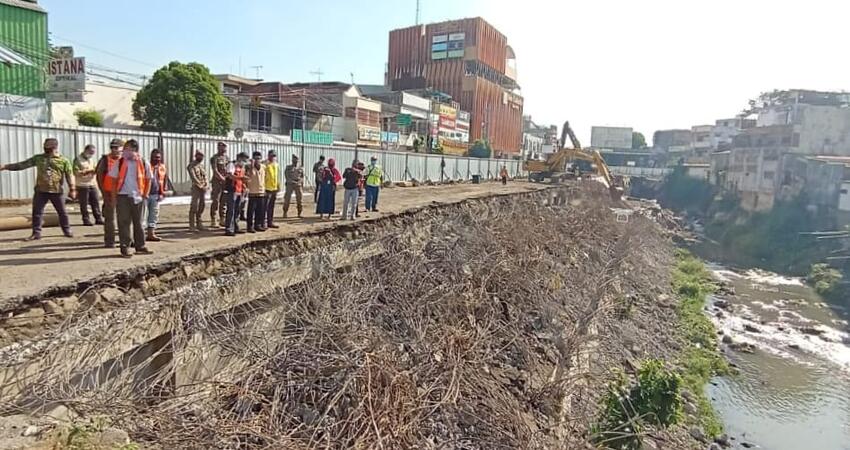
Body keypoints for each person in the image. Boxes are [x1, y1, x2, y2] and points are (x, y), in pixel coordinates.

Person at [0, 138, 75, 240]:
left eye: (48, 147)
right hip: (41, 190)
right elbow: (22, 165)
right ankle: (36, 233)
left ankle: (67, 230)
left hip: (57, 191)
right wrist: (5, 166)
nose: (46, 149)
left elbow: (69, 175)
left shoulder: (63, 160)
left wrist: (72, 188)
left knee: (62, 212)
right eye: (45, 146)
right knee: (37, 213)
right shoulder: (38, 158)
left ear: (55, 147)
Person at [107, 139, 153, 258]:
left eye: (127, 149)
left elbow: (148, 179)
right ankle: (125, 247)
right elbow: (113, 180)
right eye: (125, 149)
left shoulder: (143, 162)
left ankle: (140, 246)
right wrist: (113, 197)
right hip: (123, 196)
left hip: (138, 196)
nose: (125, 151)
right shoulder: (120, 162)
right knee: (124, 222)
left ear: (134, 150)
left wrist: (145, 195)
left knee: (139, 223)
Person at [96, 138, 123, 247]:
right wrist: (103, 192)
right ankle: (109, 241)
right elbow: (99, 176)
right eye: (112, 147)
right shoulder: (105, 160)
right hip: (109, 193)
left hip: (123, 193)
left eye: (116, 147)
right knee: (110, 219)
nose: (114, 150)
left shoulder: (125, 160)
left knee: (125, 219)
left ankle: (126, 240)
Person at [74, 144, 103, 226]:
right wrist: (85, 172)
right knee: (84, 203)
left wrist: (94, 171)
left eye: (93, 152)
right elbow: (75, 172)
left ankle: (98, 218)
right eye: (90, 152)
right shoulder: (78, 159)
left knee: (95, 202)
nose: (91, 154)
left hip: (92, 184)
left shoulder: (92, 159)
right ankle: (86, 219)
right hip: (82, 185)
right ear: (86, 150)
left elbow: (95, 168)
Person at [144, 149, 168, 242]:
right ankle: (140, 235)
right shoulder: (146, 166)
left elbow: (164, 179)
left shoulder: (162, 167)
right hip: (145, 194)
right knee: (143, 216)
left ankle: (151, 234)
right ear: (151, 157)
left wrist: (163, 192)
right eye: (155, 157)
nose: (156, 159)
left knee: (154, 215)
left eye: (158, 157)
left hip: (156, 194)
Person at [223, 152, 249, 236]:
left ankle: (235, 227)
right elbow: (230, 176)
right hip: (232, 190)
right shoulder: (232, 165)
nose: (244, 162)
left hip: (239, 191)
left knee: (237, 210)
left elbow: (242, 179)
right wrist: (241, 178)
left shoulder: (242, 167)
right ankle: (229, 229)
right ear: (239, 158)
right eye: (243, 160)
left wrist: (244, 186)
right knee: (231, 210)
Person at [245, 151, 267, 233]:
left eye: (259, 158)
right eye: (256, 158)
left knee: (260, 210)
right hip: (252, 192)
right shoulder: (249, 167)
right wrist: (251, 166)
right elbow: (247, 176)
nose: (257, 160)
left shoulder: (263, 167)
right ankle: (249, 226)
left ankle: (258, 225)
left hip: (261, 191)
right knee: (251, 210)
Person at [187, 148, 208, 232]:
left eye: (202, 156)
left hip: (203, 188)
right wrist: (200, 185)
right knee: (194, 206)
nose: (201, 157)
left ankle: (199, 223)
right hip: (196, 188)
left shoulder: (201, 166)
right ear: (196, 156)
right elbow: (193, 177)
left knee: (202, 205)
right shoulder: (191, 165)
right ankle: (192, 225)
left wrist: (206, 184)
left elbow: (205, 176)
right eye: (199, 155)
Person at [209, 142, 229, 228]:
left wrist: (227, 178)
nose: (224, 149)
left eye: (225, 147)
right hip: (217, 182)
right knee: (216, 200)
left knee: (223, 200)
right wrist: (222, 178)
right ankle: (213, 219)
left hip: (225, 182)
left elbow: (228, 169)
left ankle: (222, 218)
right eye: (222, 147)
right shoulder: (214, 158)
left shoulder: (227, 158)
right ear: (218, 148)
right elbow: (215, 170)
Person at [264, 150, 280, 229]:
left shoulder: (276, 165)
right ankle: (263, 222)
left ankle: (270, 222)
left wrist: (278, 186)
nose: (273, 157)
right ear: (268, 155)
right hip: (267, 188)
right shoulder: (265, 164)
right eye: (271, 155)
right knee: (265, 206)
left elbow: (277, 176)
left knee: (271, 206)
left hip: (274, 188)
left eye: (274, 156)